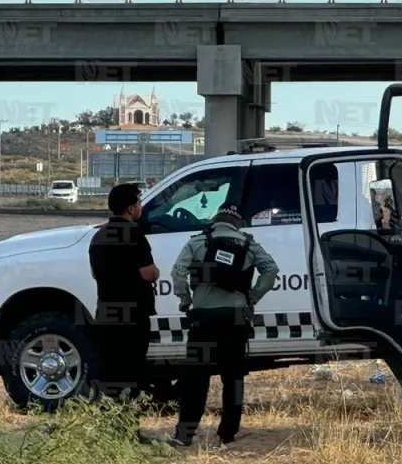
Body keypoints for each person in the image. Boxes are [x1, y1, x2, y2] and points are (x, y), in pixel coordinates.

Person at [169, 203, 279, 447]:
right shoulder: (249, 244)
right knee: (233, 377)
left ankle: (185, 433)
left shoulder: (198, 242)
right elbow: (271, 270)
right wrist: (251, 298)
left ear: (215, 220)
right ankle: (227, 433)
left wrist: (185, 299)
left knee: (196, 377)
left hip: (204, 317)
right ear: (237, 223)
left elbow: (177, 272)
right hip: (236, 317)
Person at [87, 182, 159, 442]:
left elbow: (94, 272)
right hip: (133, 314)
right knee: (132, 373)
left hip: (106, 311)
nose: (140, 207)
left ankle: (109, 430)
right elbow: (148, 273)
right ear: (130, 208)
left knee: (110, 372)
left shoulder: (98, 236)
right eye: (139, 203)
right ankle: (129, 430)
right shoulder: (134, 234)